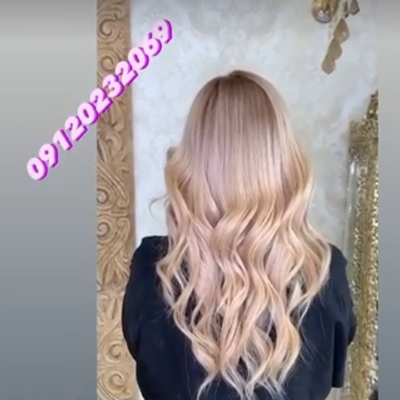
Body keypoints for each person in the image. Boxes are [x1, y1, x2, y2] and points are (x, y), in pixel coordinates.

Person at [122, 70, 356, 400]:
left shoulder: (152, 269)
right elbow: (329, 370)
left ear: (193, 162)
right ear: (282, 162)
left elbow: (146, 357)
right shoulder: (324, 272)